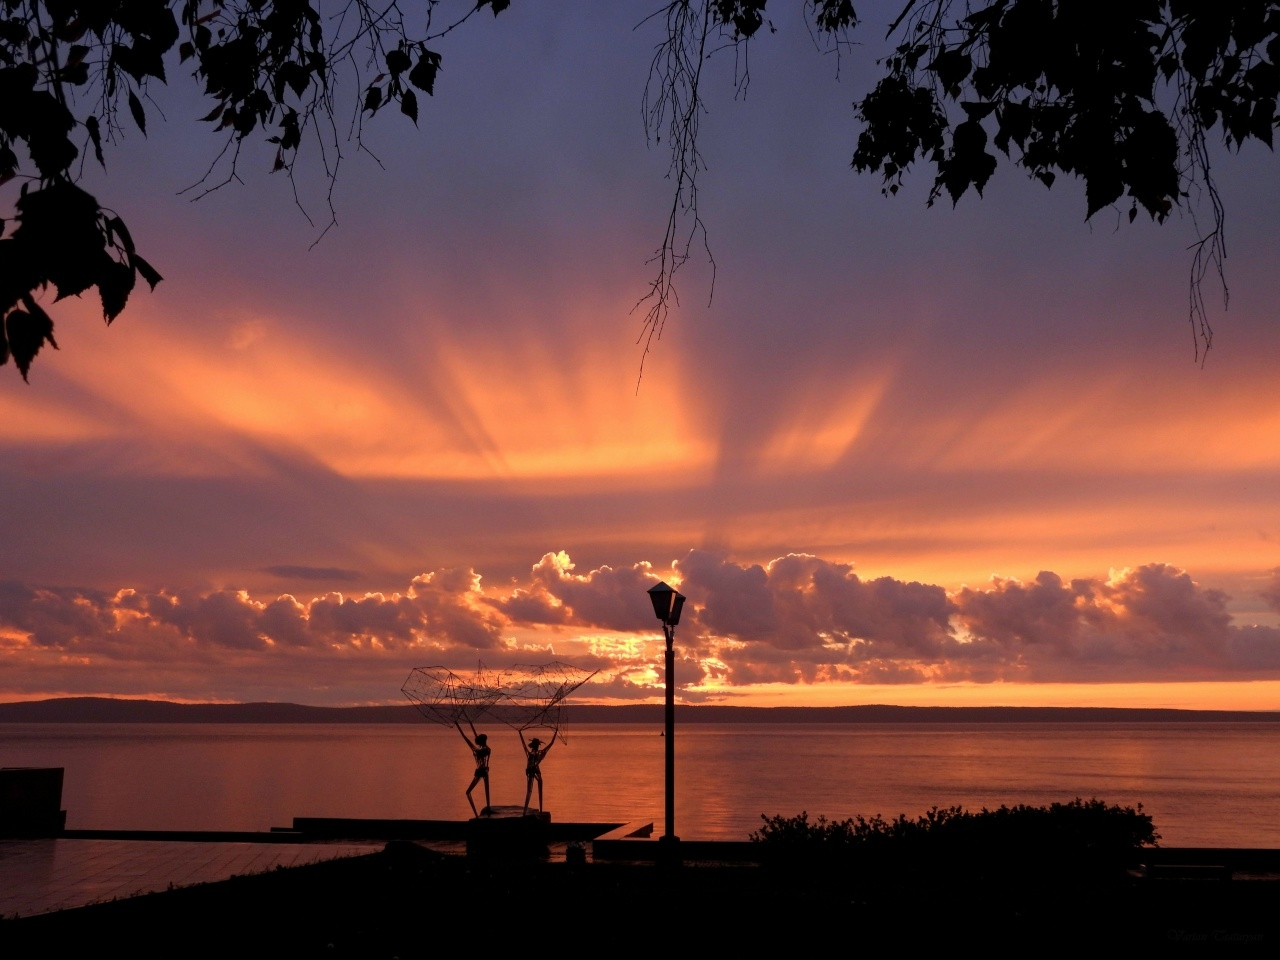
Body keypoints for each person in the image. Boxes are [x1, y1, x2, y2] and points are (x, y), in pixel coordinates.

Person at [456, 719, 490, 817]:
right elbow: (474, 737)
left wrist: (458, 726)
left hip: (480, 771)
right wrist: (470, 724)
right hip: (485, 771)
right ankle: (486, 812)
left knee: (468, 792)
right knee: (487, 795)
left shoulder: (478, 750)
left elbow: (466, 739)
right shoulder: (488, 749)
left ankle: (476, 815)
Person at [519, 729, 557, 816]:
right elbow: (524, 745)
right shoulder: (533, 753)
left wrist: (555, 733)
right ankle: (526, 811)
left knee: (537, 784)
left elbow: (550, 744)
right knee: (530, 790)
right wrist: (520, 733)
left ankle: (536, 810)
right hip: (532, 769)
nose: (537, 747)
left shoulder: (536, 753)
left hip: (534, 769)